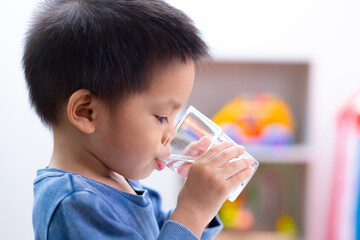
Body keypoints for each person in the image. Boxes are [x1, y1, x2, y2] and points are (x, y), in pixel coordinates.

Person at [23, 0, 255, 239]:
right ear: (86, 112)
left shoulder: (119, 179)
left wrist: (204, 204)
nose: (172, 133)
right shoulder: (74, 204)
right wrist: (193, 210)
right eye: (162, 117)